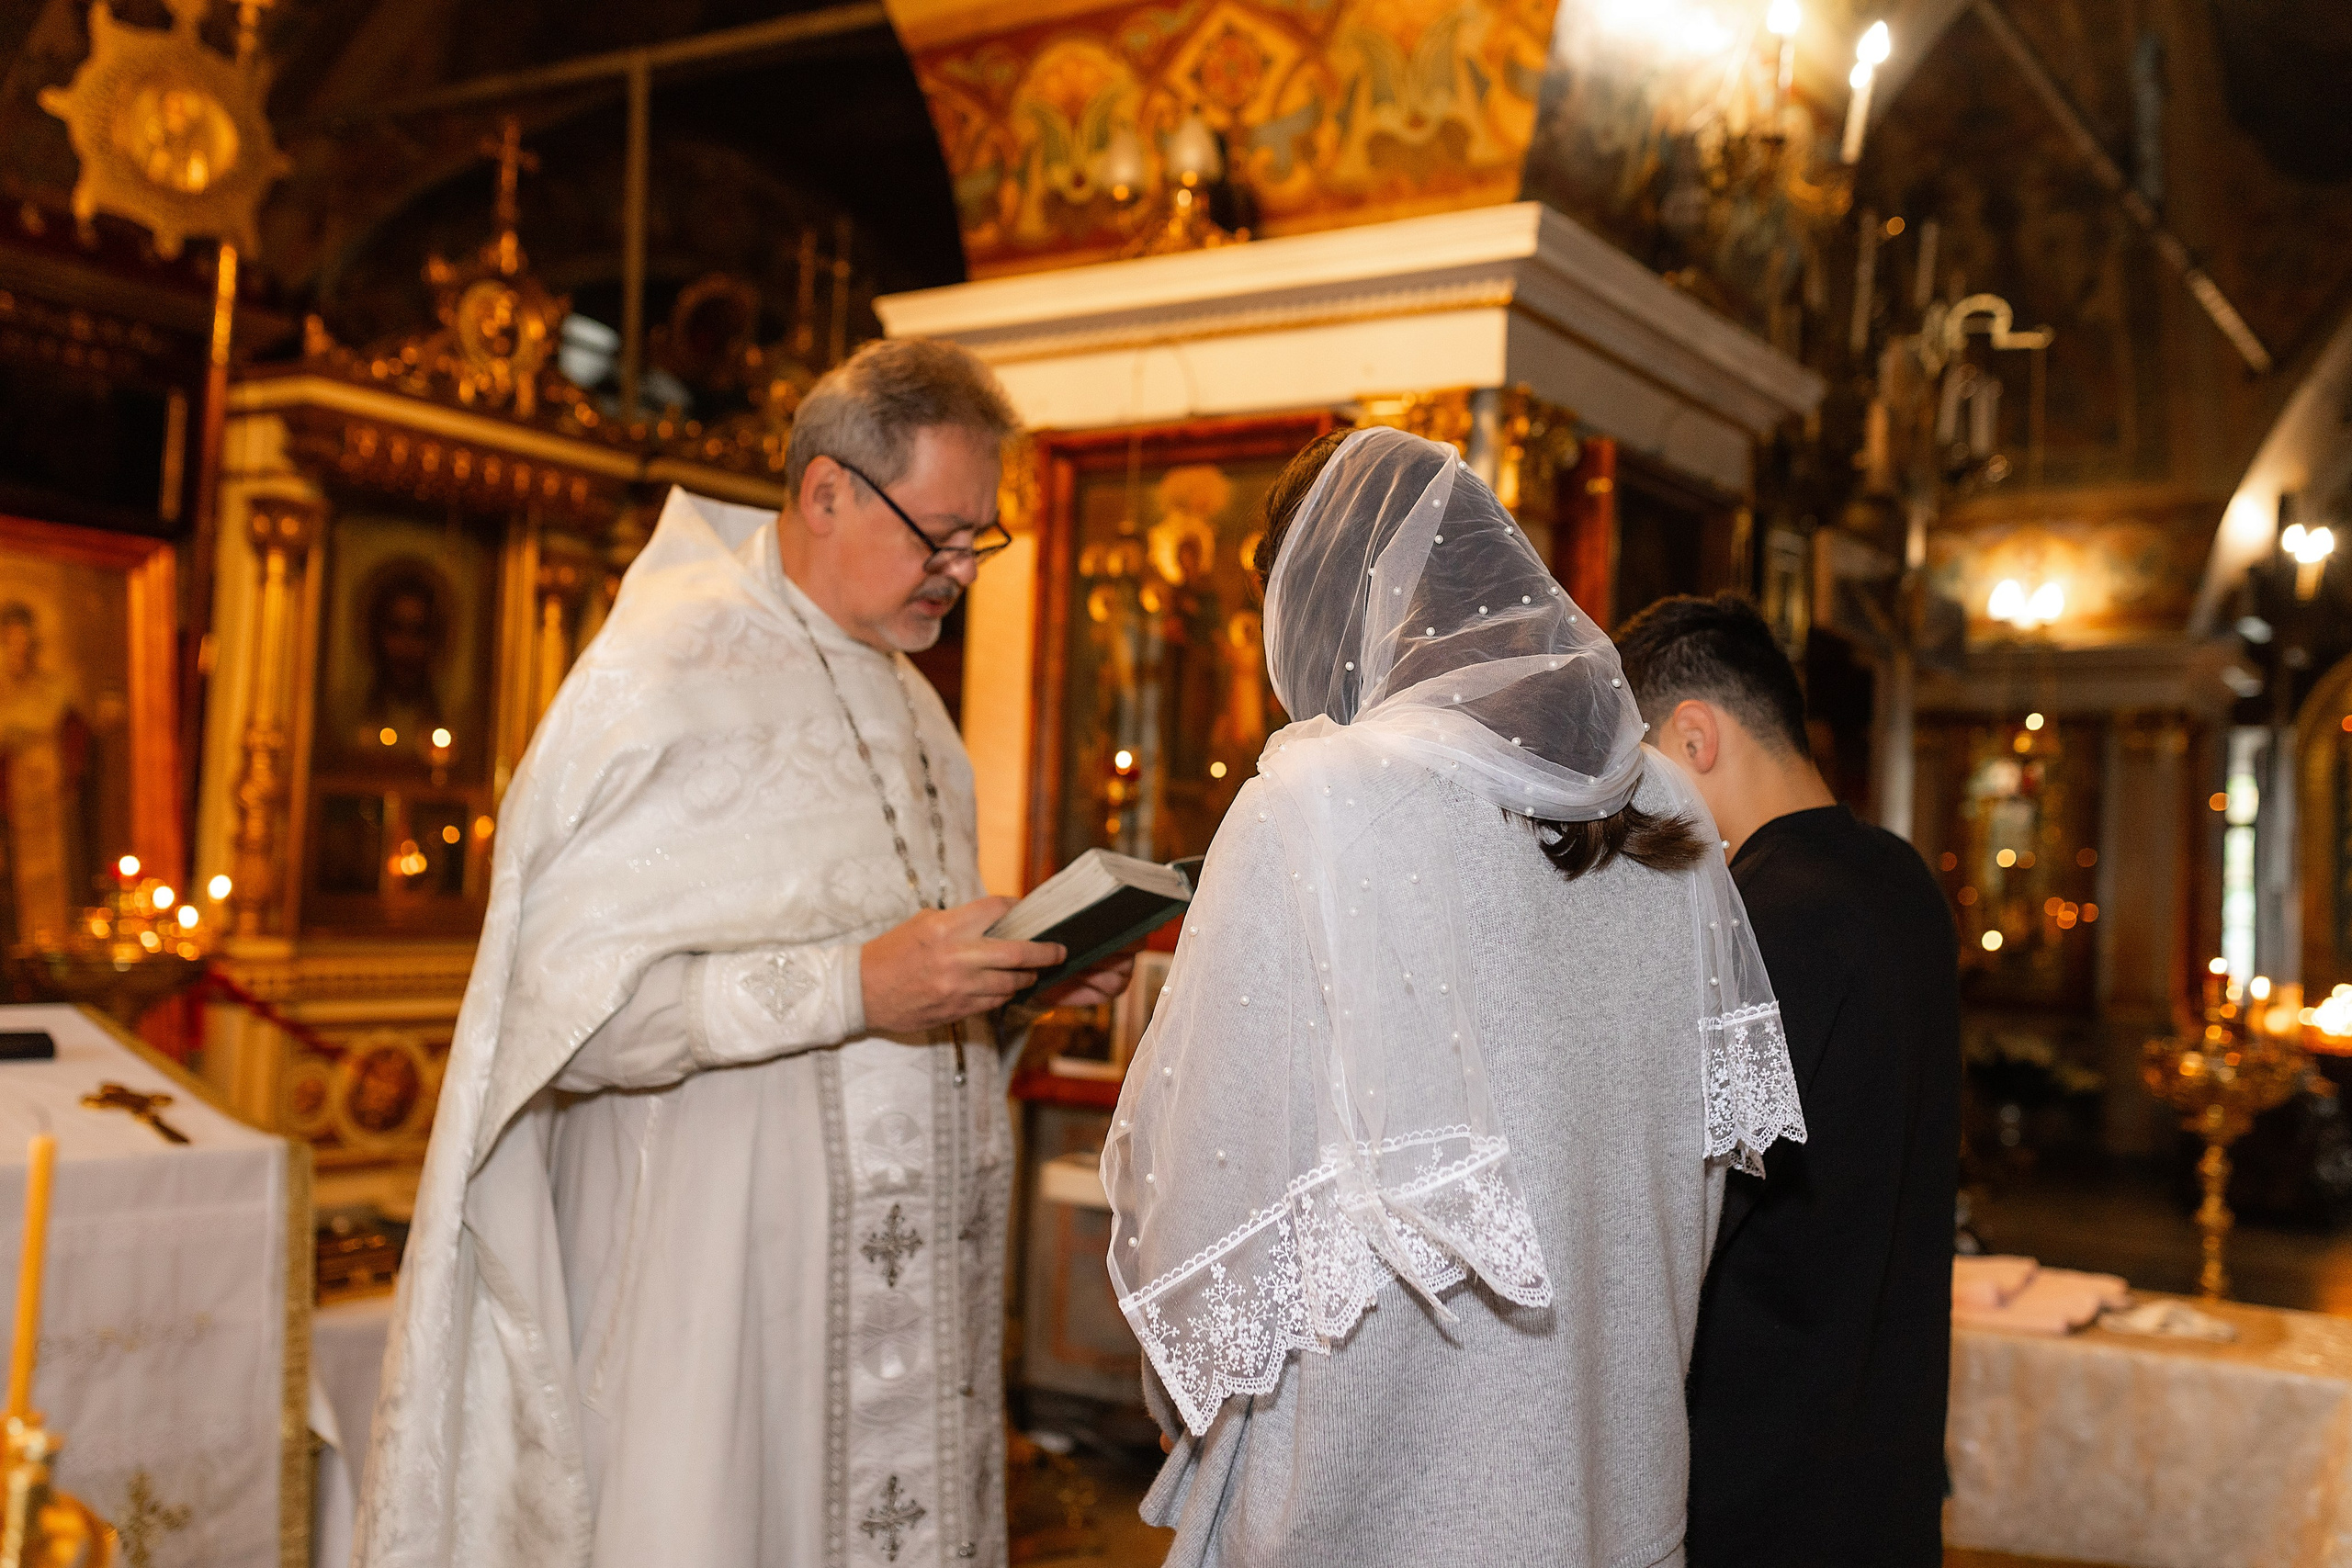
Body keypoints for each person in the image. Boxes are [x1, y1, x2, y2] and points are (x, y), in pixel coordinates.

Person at [356, 338, 1132, 1568]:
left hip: (902, 1312)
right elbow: (563, 1021)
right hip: (718, 1308)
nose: (958, 573)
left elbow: (901, 997)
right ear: (826, 490)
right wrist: (853, 985)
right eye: (938, 532)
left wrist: (1015, 985)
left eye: (979, 538)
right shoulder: (663, 677)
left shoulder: (920, 708)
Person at [1104, 427, 1804, 1566]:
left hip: (1388, 1501)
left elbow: (1206, 1218)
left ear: (1325, 606)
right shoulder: (1671, 807)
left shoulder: (1314, 801)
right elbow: (1703, 1169)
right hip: (1609, 1481)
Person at [1616, 592, 1961, 1568]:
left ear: (1693, 737)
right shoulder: (1896, 877)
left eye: (1633, 766)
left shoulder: (1761, 920)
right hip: (1878, 1445)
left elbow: (1691, 1205)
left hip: (1765, 1466)